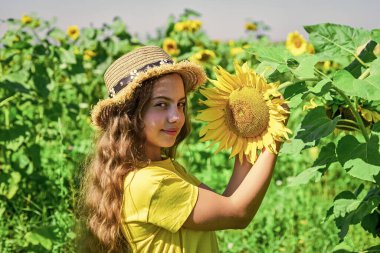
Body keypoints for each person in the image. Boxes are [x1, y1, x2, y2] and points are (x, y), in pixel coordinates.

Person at [78, 45, 286, 253]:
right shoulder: (151, 184)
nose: (176, 116)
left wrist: (248, 131)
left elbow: (226, 203)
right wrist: (274, 138)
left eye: (181, 104)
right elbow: (237, 213)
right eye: (161, 105)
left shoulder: (160, 168)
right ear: (130, 115)